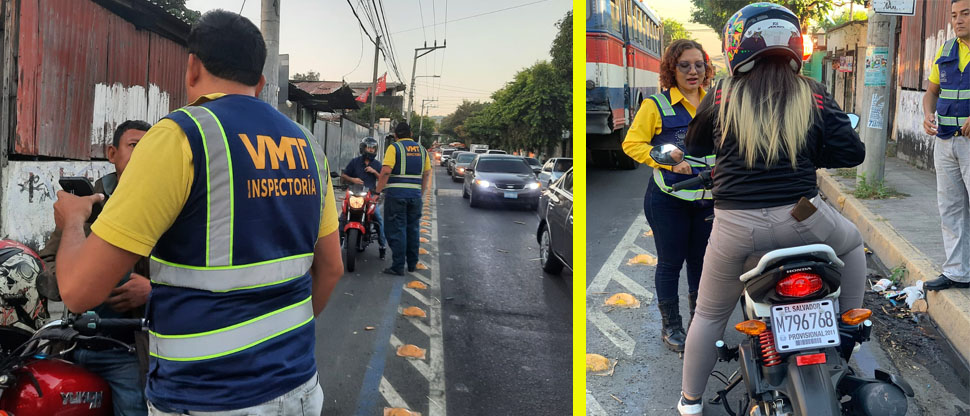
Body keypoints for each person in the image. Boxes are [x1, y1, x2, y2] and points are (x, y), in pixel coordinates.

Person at [51, 10, 343, 415]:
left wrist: (72, 221)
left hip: (206, 397)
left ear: (192, 67)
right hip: (299, 388)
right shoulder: (308, 145)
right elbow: (330, 269)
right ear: (259, 83)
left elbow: (78, 291)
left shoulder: (181, 136)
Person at [676, 4, 867, 415]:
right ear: (794, 44)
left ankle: (690, 403)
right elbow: (852, 153)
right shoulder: (813, 92)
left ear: (735, 46)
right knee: (852, 245)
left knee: (708, 315)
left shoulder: (723, 93)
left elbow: (694, 145)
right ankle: (848, 327)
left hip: (734, 225)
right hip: (803, 215)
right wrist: (811, 153)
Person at [37, 120, 152, 416]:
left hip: (128, 351)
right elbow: (48, 262)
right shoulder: (86, 204)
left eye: (150, 148)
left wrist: (152, 291)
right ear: (112, 153)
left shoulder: (162, 202)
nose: (142, 155)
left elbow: (188, 271)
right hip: (74, 345)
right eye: (134, 146)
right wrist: (71, 282)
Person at [621, 39, 716, 353]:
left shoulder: (715, 103)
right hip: (668, 199)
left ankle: (699, 325)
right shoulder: (656, 105)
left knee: (701, 263)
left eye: (698, 65)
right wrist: (669, 160)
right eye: (684, 65)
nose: (692, 71)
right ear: (671, 70)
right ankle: (671, 326)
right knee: (671, 262)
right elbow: (632, 144)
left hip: (707, 199)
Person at [921, 0, 970, 291]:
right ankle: (957, 272)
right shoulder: (946, 50)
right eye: (954, 15)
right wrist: (927, 113)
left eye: (965, 13)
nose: (958, 20)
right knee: (951, 208)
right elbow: (932, 92)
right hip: (945, 141)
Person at [375, 122, 431, 276]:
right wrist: (420, 192)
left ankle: (398, 266)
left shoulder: (394, 148)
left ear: (395, 135)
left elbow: (386, 171)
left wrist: (377, 192)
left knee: (396, 230)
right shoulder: (422, 150)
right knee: (413, 229)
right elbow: (426, 173)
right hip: (415, 197)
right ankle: (412, 264)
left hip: (396, 196)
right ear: (411, 134)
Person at [340, 136, 386, 259]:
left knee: (378, 219)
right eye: (368, 148)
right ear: (363, 148)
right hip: (354, 194)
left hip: (370, 197)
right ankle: (337, 245)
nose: (371, 150)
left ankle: (382, 246)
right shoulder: (354, 162)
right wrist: (352, 179)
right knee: (341, 218)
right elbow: (343, 175)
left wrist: (374, 172)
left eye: (373, 148)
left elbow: (382, 179)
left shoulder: (377, 164)